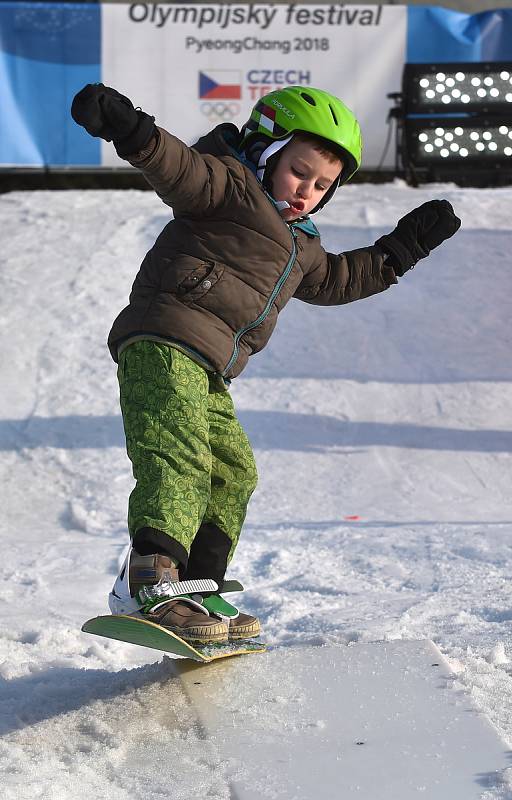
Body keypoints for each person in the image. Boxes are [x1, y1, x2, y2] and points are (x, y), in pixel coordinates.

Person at [71, 83, 461, 645]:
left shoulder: (301, 246)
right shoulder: (227, 185)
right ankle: (150, 580)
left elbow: (340, 281)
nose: (307, 192)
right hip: (163, 339)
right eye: (299, 172)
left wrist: (402, 248)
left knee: (234, 472)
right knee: (178, 457)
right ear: (267, 150)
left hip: (209, 365)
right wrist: (128, 127)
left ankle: (195, 590)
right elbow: (176, 166)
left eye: (323, 185)